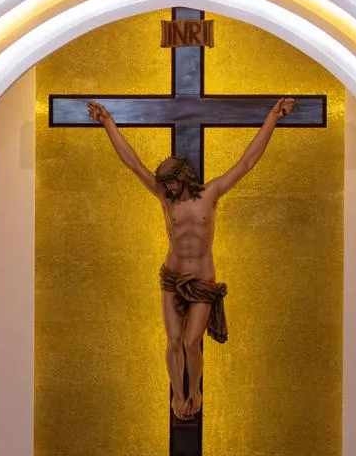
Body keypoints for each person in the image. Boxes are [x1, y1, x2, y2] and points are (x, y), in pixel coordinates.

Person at [88, 97, 296, 419]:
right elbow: (133, 164)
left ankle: (195, 389)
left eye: (171, 181)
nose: (167, 187)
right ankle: (177, 395)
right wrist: (108, 124)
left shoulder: (210, 194)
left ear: (184, 176)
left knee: (191, 340)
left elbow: (246, 163)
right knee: (173, 341)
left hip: (201, 280)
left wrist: (273, 117)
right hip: (172, 277)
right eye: (164, 183)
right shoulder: (164, 199)